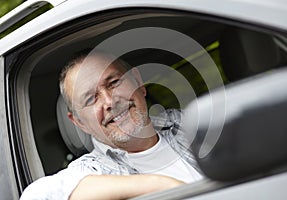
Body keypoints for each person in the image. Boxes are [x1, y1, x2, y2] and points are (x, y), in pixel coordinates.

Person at [20, 50, 203, 200]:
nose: (109, 102)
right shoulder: (92, 173)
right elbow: (36, 196)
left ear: (138, 82)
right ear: (79, 122)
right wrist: (163, 185)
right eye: (91, 99)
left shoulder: (184, 123)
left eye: (114, 83)